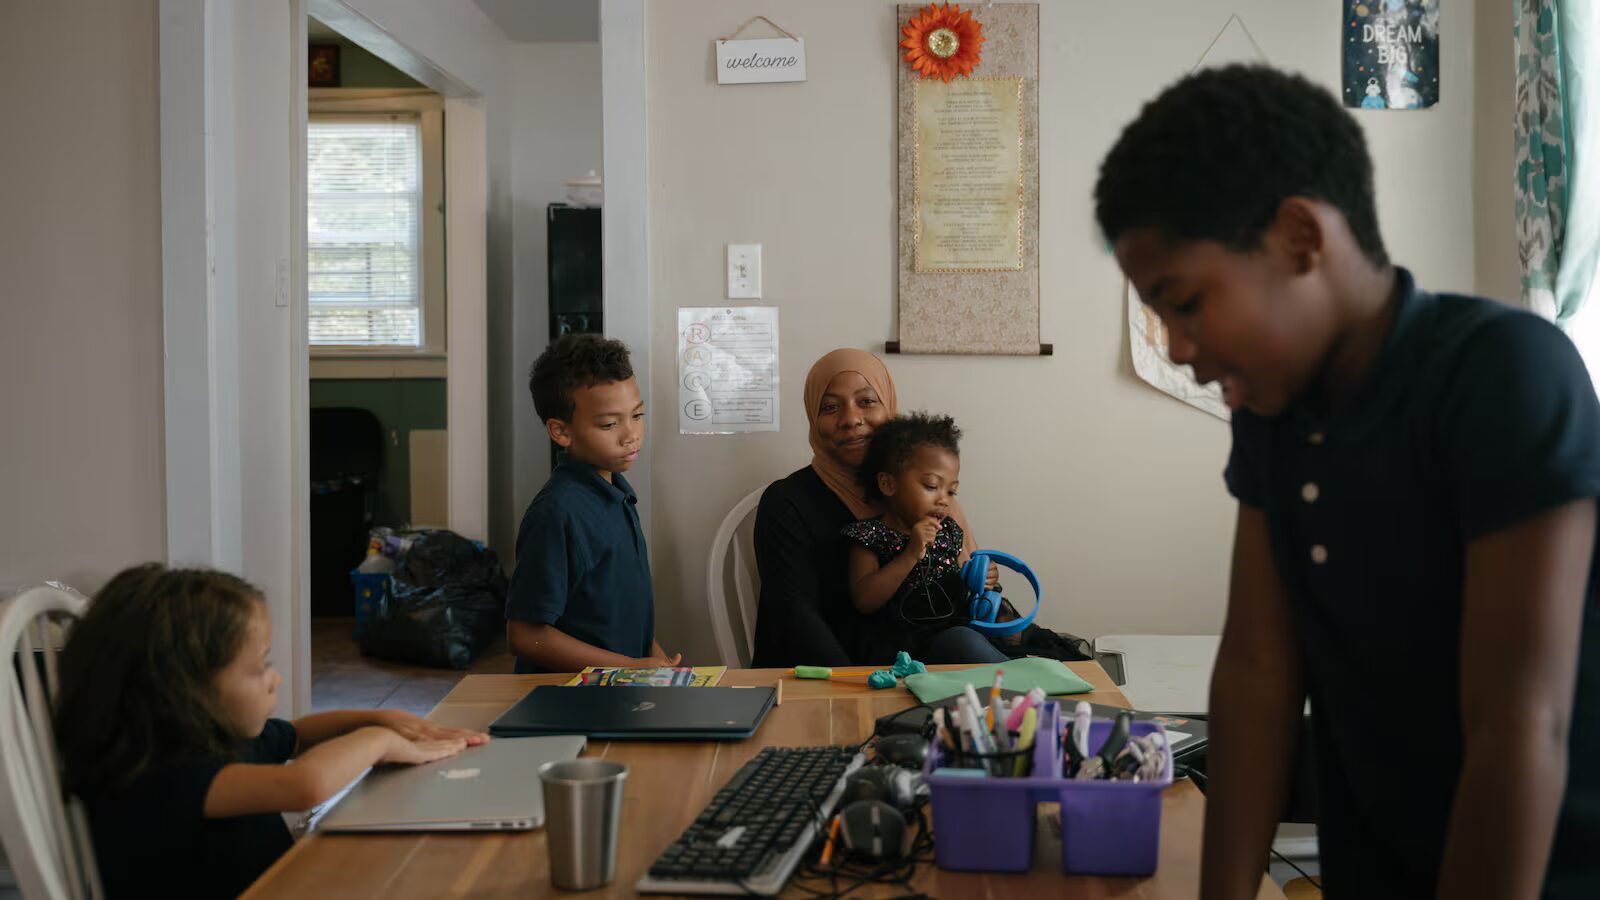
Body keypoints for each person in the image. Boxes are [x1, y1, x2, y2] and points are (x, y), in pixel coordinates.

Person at [1095, 63, 1600, 899]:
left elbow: (1520, 723)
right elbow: (1258, 665)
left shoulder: (1503, 372)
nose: (1178, 349)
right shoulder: (1274, 415)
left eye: (1185, 302)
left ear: (1300, 237)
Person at [54, 564, 486, 899]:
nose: (274, 680)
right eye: (260, 668)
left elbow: (297, 736)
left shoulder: (212, 739)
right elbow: (304, 783)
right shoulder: (159, 777)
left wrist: (378, 719)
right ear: (184, 688)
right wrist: (379, 741)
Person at [751, 349, 994, 667]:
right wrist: (854, 693)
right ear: (813, 415)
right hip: (839, 675)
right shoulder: (787, 503)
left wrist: (986, 589)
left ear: (889, 405)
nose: (851, 419)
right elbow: (796, 618)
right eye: (830, 407)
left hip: (938, 662)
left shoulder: (922, 493)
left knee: (998, 656)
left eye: (867, 401)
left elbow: (963, 589)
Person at [506, 334, 679, 673]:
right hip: (568, 702)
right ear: (561, 431)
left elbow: (621, 615)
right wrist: (629, 666)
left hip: (620, 690)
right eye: (609, 424)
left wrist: (653, 660)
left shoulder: (618, 496)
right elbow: (525, 636)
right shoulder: (557, 513)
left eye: (638, 415)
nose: (631, 434)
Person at [843, 412, 1008, 664]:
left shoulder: (949, 531)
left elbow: (958, 583)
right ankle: (1022, 685)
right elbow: (864, 600)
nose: (943, 499)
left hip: (955, 629)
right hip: (906, 649)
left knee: (1013, 632)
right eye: (931, 486)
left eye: (951, 490)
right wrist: (910, 554)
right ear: (888, 484)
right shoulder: (869, 536)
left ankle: (1029, 674)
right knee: (962, 641)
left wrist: (981, 578)